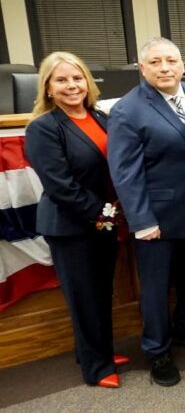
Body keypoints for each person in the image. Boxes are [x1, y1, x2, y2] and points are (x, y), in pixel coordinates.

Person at [107, 38, 185, 387]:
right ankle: (157, 350)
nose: (165, 67)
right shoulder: (128, 110)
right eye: (155, 62)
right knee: (156, 289)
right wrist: (142, 220)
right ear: (143, 69)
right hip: (157, 219)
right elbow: (125, 172)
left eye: (172, 60)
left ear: (183, 66)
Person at [24, 52, 126, 388]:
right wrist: (105, 213)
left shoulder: (99, 117)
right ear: (48, 88)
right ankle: (97, 368)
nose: (72, 86)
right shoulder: (43, 127)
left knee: (100, 294)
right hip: (70, 227)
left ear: (87, 82)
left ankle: (98, 352)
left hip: (102, 223)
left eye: (77, 78)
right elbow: (60, 186)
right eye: (62, 80)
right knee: (84, 299)